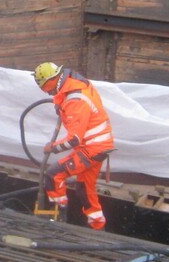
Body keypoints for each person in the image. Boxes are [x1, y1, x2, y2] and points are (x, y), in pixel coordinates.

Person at [34, 62, 115, 230]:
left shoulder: (75, 100)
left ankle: (58, 219)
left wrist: (52, 147)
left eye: (43, 86)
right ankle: (98, 226)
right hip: (100, 144)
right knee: (84, 187)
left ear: (50, 80)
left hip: (92, 148)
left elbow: (73, 140)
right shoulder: (77, 84)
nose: (44, 91)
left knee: (53, 175)